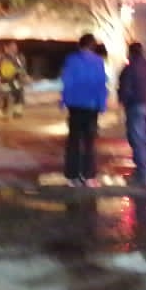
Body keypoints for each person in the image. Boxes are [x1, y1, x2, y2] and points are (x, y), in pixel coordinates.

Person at [61, 33, 108, 185]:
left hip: (75, 106)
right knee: (89, 141)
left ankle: (72, 175)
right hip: (91, 107)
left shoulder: (71, 60)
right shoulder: (98, 62)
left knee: (73, 141)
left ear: (80, 45)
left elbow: (67, 81)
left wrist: (64, 100)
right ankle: (88, 175)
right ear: (93, 46)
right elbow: (101, 84)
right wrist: (102, 104)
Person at [116, 41, 146, 187]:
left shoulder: (129, 69)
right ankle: (144, 171)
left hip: (136, 107)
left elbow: (124, 89)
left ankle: (143, 174)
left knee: (137, 140)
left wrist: (123, 102)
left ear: (130, 53)